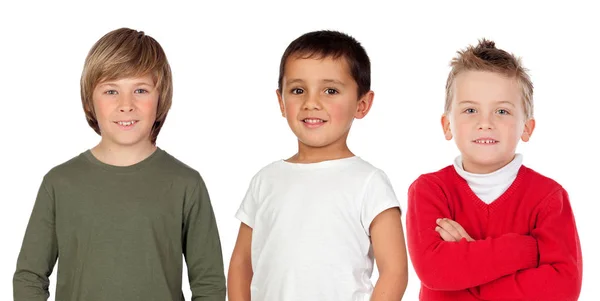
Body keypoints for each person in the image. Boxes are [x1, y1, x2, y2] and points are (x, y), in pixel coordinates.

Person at [13, 27, 226, 301]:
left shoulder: (186, 184)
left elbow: (209, 283)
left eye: (140, 89)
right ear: (90, 100)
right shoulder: (59, 183)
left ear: (161, 97)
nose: (126, 104)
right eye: (111, 91)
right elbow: (30, 276)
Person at [406, 38, 583, 300]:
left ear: (526, 127)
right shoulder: (430, 190)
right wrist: (524, 249)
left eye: (502, 111)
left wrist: (467, 269)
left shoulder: (548, 197)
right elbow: (435, 272)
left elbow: (562, 288)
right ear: (447, 125)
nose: (485, 123)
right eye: (470, 110)